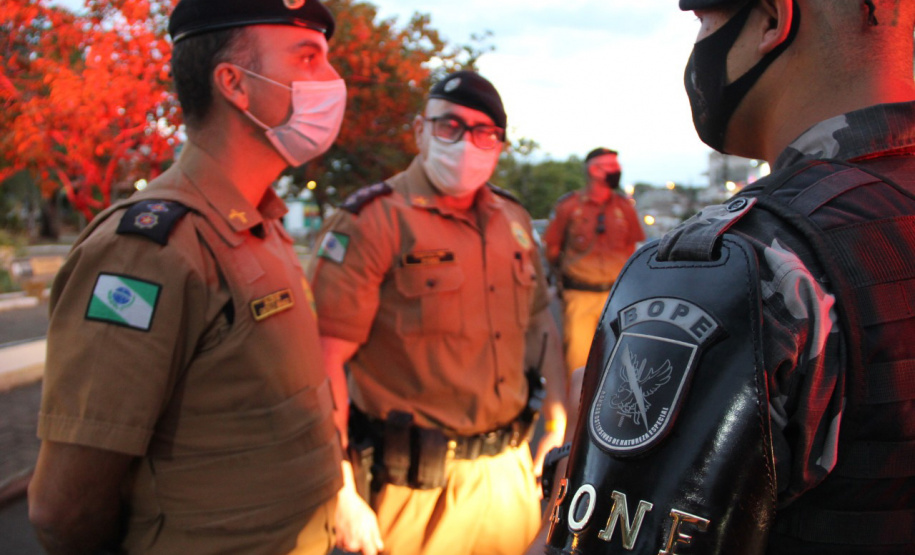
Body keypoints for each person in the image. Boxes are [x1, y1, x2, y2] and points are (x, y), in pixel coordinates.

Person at [540, 0, 915, 554]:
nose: (699, 44)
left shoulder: (738, 263)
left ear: (772, 20)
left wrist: (574, 466)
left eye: (704, 20)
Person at [27, 1, 347, 553]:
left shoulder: (263, 224)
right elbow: (66, 508)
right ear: (234, 84)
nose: (332, 79)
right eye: (307, 57)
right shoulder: (147, 251)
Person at [307, 70, 568, 555]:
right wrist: (339, 487)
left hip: (510, 475)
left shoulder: (512, 219)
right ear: (420, 130)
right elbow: (322, 361)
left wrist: (557, 417)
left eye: (484, 132)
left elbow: (538, 323)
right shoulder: (371, 221)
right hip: (412, 492)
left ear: (499, 144)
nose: (466, 143)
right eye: (450, 126)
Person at [542, 148, 644, 376]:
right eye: (611, 166)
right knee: (578, 365)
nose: (618, 170)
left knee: (621, 362)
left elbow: (631, 248)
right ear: (595, 171)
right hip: (580, 296)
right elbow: (552, 248)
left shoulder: (624, 207)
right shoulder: (569, 206)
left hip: (617, 297)